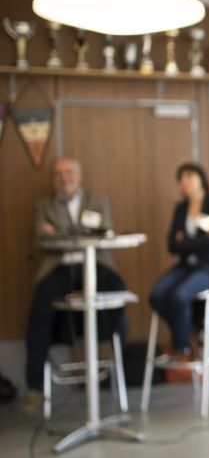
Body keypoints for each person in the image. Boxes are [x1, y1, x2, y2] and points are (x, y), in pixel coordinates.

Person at [23, 157, 127, 415]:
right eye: (58, 174)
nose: (64, 178)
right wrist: (75, 234)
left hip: (95, 264)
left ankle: (112, 358)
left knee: (117, 292)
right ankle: (35, 388)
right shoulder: (43, 206)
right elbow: (42, 238)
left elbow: (104, 232)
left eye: (69, 172)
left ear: (79, 175)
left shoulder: (97, 201)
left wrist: (60, 232)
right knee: (39, 313)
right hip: (60, 267)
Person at [149, 162, 209, 359]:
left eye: (189, 176)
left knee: (180, 295)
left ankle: (184, 348)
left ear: (201, 178)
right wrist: (198, 241)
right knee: (157, 295)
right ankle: (189, 334)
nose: (184, 182)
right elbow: (171, 245)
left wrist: (185, 241)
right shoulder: (181, 208)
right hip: (188, 265)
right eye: (180, 179)